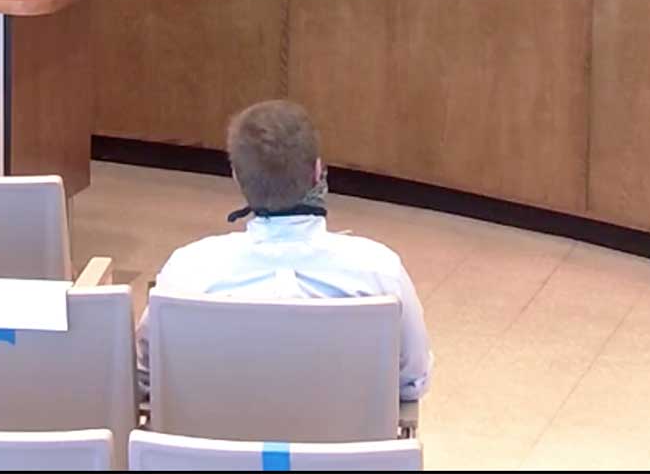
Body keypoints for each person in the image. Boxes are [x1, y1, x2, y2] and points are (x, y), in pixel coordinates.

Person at [136, 100, 432, 401]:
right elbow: (411, 381)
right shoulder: (381, 272)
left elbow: (146, 374)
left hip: (210, 447)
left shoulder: (187, 272)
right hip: (336, 447)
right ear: (318, 172)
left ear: (237, 177)